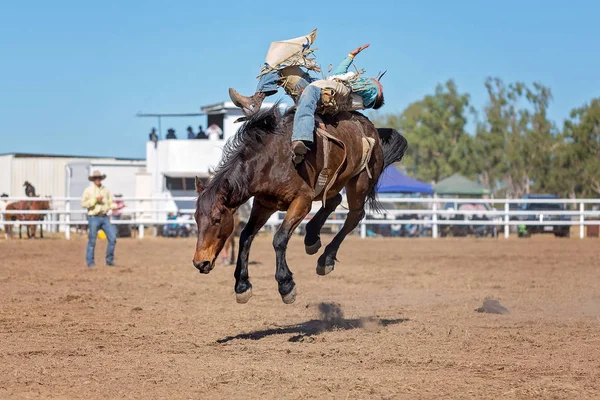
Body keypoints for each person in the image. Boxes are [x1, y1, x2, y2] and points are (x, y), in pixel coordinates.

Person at [228, 33, 384, 163]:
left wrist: (359, 78)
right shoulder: (361, 87)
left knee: (312, 89)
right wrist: (351, 56)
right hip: (324, 86)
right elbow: (338, 74)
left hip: (331, 95)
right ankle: (255, 102)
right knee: (280, 63)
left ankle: (301, 138)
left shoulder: (372, 91)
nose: (375, 79)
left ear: (379, 93)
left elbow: (342, 80)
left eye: (378, 83)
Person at [81, 170, 117, 268]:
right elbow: (83, 204)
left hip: (104, 217)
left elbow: (110, 203)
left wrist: (114, 206)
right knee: (92, 241)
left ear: (101, 179)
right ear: (93, 179)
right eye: (95, 178)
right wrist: (95, 201)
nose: (97, 180)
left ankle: (109, 260)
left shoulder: (106, 190)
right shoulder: (88, 190)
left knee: (113, 238)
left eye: (99, 178)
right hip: (93, 217)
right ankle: (90, 262)